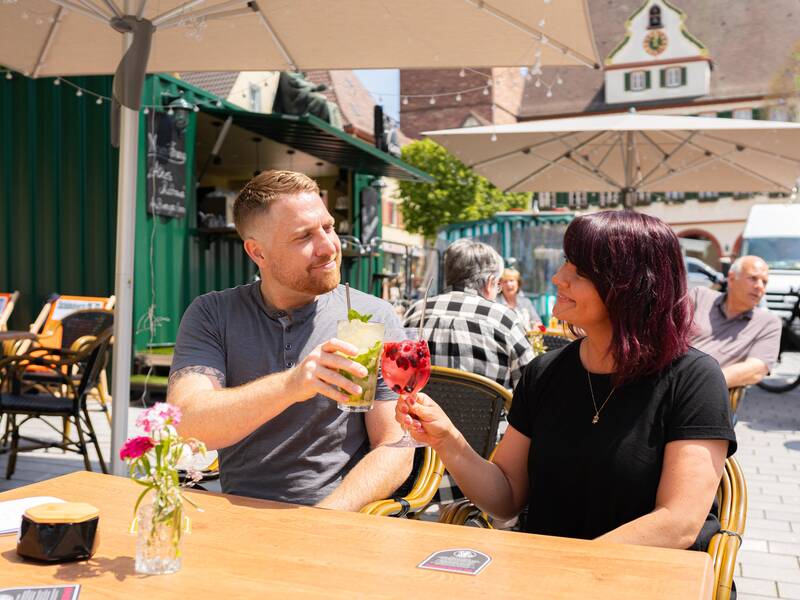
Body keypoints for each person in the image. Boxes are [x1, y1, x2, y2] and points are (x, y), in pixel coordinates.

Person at [398, 211, 736, 551]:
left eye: (579, 270)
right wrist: (447, 439)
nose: (559, 277)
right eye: (565, 263)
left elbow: (678, 523)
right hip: (548, 574)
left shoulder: (694, 379)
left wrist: (572, 569)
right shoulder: (545, 372)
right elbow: (506, 497)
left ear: (631, 284)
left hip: (646, 577)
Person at [167, 170, 412, 509]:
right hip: (236, 517)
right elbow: (188, 424)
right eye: (304, 237)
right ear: (258, 253)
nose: (328, 247)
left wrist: (328, 515)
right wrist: (292, 384)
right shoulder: (213, 314)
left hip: (335, 518)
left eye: (328, 227)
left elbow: (396, 445)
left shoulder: (370, 316)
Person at [403, 239, 535, 390]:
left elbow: (399, 375)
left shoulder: (416, 312)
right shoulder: (504, 319)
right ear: (490, 281)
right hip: (487, 413)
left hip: (420, 412)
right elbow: (530, 387)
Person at [690, 255, 781, 388]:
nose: (760, 286)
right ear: (732, 278)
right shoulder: (700, 296)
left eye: (764, 282)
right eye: (753, 278)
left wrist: (701, 384)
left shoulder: (768, 323)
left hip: (705, 394)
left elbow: (756, 369)